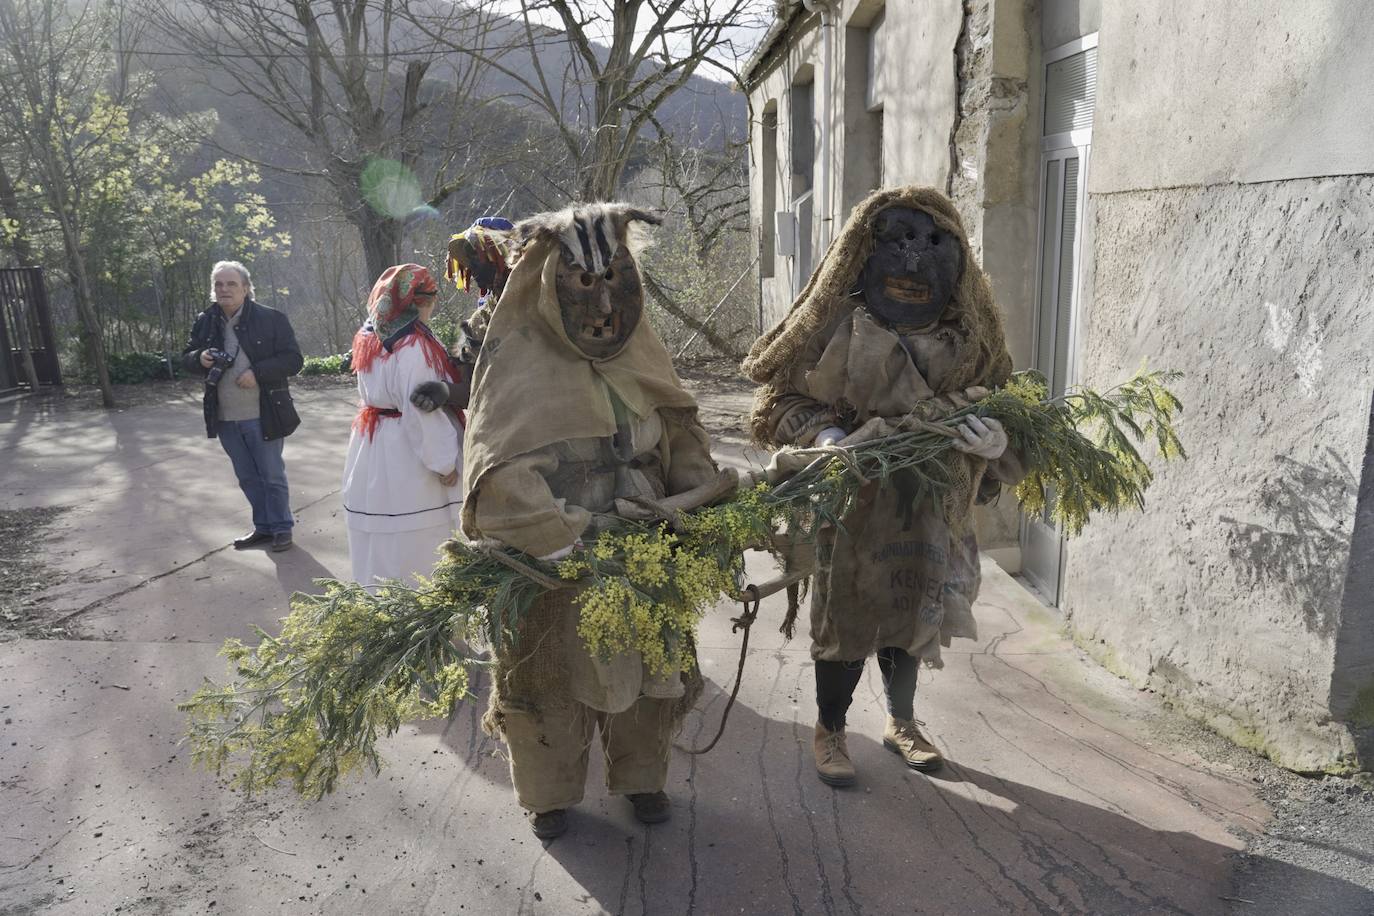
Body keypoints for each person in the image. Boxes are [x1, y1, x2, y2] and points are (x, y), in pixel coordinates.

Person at [742, 185, 1026, 786]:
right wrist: (823, 439)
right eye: (897, 244)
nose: (913, 262)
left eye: (932, 248)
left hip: (930, 502)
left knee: (913, 605)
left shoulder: (970, 339)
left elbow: (1011, 406)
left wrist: (995, 442)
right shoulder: (836, 326)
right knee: (845, 614)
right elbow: (779, 399)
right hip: (853, 499)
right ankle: (831, 728)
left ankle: (902, 721)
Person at [461, 203, 723, 840]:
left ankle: (642, 780)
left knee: (648, 673)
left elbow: (681, 439)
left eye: (617, 279)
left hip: (648, 545)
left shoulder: (641, 355)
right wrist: (566, 536)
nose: (604, 303)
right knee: (552, 680)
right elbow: (497, 477)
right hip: (559, 563)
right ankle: (549, 795)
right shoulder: (518, 366)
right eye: (584, 283)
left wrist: (706, 512)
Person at [342, 264, 464, 588]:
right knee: (419, 541)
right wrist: (443, 462)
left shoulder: (369, 333)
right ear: (421, 301)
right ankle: (421, 622)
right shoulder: (411, 343)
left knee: (380, 542)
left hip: (372, 446)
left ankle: (379, 613)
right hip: (405, 455)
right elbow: (420, 408)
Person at [182, 260, 303, 552]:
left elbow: (293, 360)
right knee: (247, 476)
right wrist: (199, 358)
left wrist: (258, 373)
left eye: (231, 284)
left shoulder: (271, 318)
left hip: (264, 412)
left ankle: (282, 528)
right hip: (224, 416)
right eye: (219, 284)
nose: (224, 289)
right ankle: (263, 528)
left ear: (246, 288)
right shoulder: (205, 320)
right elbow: (186, 357)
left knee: (272, 475)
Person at [409, 216, 519, 413]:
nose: (472, 266)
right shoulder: (479, 319)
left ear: (502, 255)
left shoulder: (534, 302)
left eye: (478, 256)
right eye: (469, 258)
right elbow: (473, 389)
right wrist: (446, 390)